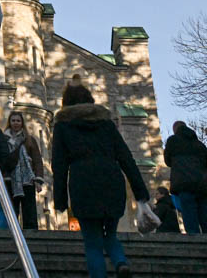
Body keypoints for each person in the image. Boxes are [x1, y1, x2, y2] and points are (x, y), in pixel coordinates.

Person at [52, 84, 149, 278]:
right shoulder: (106, 125)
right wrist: (140, 193)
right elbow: (126, 158)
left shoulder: (63, 126)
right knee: (110, 234)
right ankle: (120, 262)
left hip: (83, 183)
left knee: (92, 241)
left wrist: (60, 199)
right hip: (111, 180)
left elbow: (59, 165)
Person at [163, 120, 207, 235]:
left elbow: (167, 161)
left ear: (175, 130)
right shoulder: (199, 144)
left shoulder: (173, 141)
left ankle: (195, 243)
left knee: (190, 216)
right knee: (206, 217)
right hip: (201, 185)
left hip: (184, 185)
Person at [5, 110, 44, 229]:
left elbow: (37, 159)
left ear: (22, 123)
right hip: (10, 178)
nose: (16, 123)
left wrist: (38, 179)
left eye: (18, 121)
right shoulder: (4, 139)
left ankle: (31, 233)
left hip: (27, 179)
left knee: (29, 209)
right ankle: (13, 231)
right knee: (13, 207)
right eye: (13, 121)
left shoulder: (30, 139)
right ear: (9, 122)